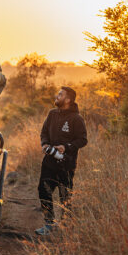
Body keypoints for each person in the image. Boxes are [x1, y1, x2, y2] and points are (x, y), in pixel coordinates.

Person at [35, 86, 88, 236]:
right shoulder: (52, 114)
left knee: (65, 195)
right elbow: (44, 132)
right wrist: (45, 144)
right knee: (43, 190)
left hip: (67, 165)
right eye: (58, 94)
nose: (57, 96)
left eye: (60, 95)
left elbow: (83, 140)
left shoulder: (76, 119)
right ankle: (49, 223)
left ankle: (65, 227)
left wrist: (66, 147)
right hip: (49, 162)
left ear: (68, 100)